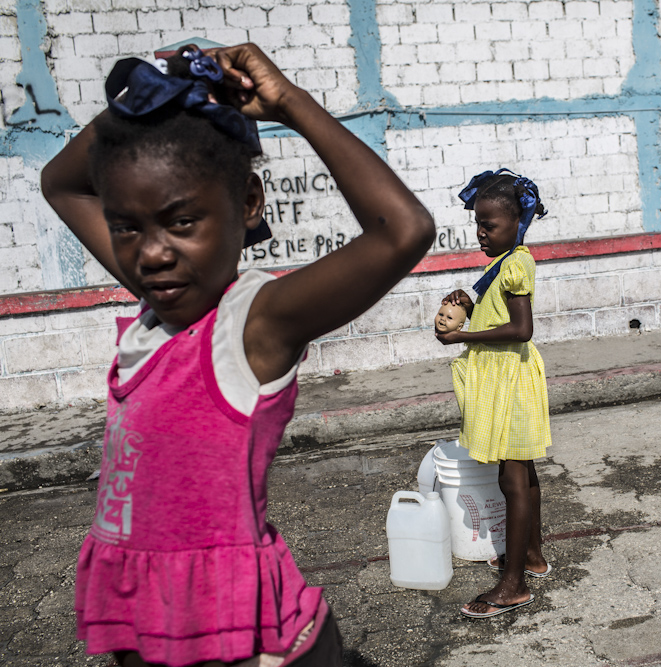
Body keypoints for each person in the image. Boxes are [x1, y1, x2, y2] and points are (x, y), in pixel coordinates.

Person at [40, 43, 434, 666]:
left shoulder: (251, 324)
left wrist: (289, 104)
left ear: (248, 204)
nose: (151, 253)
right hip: (158, 634)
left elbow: (402, 231)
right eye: (127, 227)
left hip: (260, 649)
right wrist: (157, 96)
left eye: (181, 222)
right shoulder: (156, 310)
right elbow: (59, 182)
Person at [436, 169, 553, 619]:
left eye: (490, 225)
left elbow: (522, 329)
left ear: (516, 224)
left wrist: (463, 336)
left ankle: (513, 585)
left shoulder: (517, 262)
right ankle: (532, 557)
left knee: (513, 478)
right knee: (523, 472)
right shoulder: (501, 264)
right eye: (478, 224)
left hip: (511, 377)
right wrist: (468, 301)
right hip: (505, 375)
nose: (481, 233)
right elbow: (498, 306)